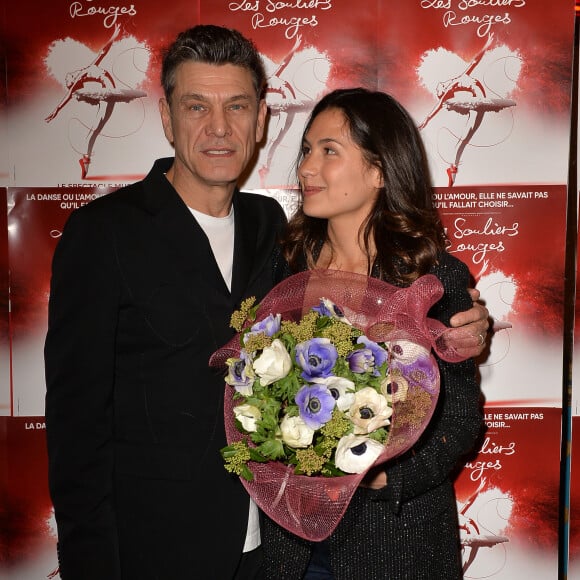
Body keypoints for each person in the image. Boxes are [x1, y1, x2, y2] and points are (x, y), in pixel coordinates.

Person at [44, 26, 488, 580]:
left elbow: (456, 411)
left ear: (260, 121)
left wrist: (470, 330)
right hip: (166, 546)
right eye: (196, 106)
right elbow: (75, 425)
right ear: (166, 119)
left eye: (236, 106)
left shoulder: (270, 230)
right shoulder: (104, 235)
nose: (218, 128)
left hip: (295, 552)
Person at [261, 87, 485, 579]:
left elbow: (462, 419)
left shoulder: (430, 277)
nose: (305, 169)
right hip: (291, 552)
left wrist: (385, 476)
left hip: (392, 546)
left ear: (380, 170)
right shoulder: (284, 266)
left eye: (328, 151)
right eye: (305, 150)